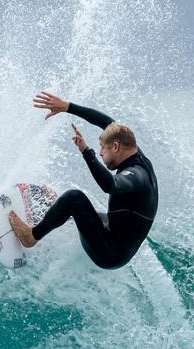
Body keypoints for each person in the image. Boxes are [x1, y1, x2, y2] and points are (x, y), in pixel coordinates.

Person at [8, 91, 158, 270]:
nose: (101, 153)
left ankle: (31, 236)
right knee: (76, 206)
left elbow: (110, 185)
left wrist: (87, 152)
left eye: (103, 148)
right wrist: (67, 107)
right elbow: (106, 122)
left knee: (74, 198)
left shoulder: (137, 175)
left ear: (116, 147)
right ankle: (59, 209)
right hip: (114, 229)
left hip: (110, 253)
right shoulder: (134, 152)